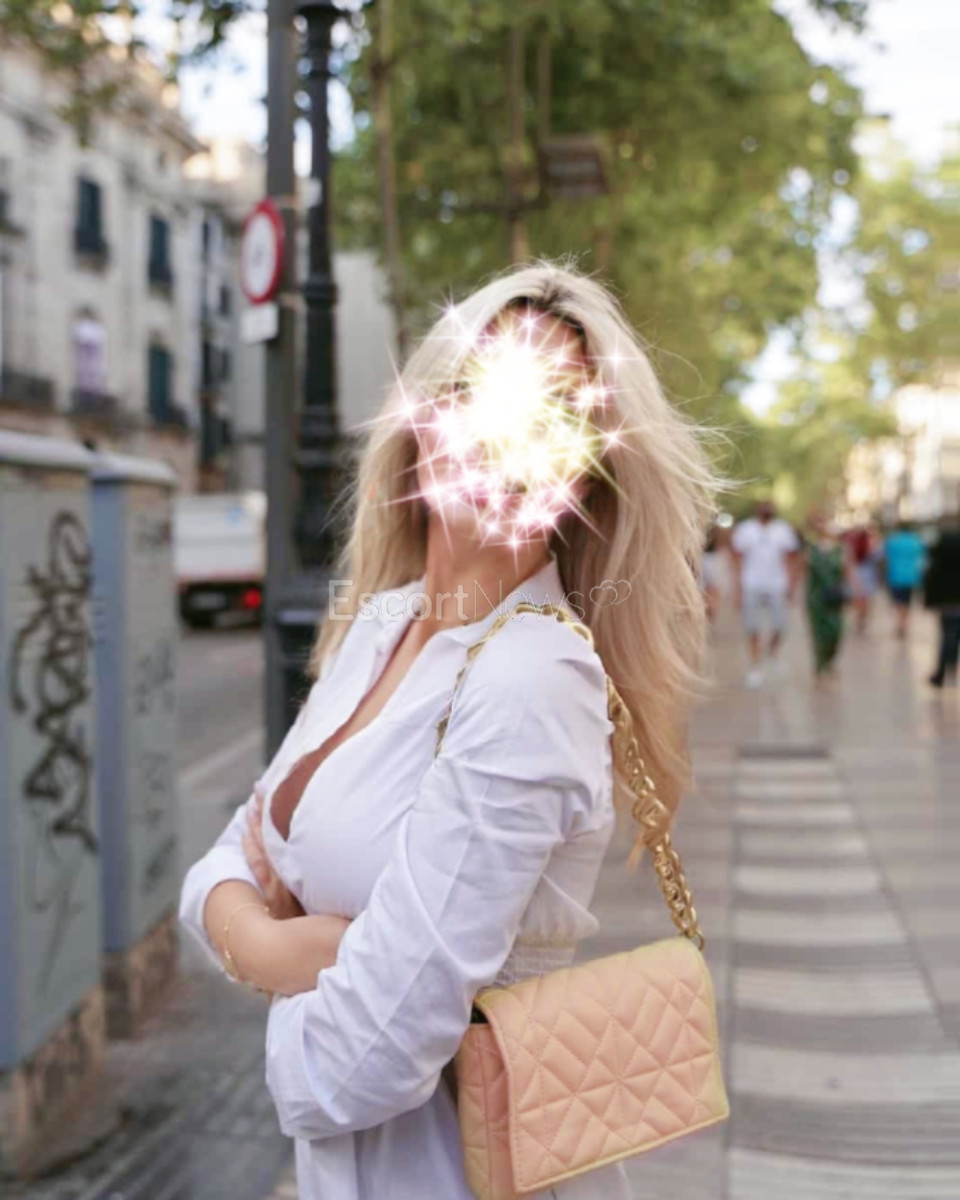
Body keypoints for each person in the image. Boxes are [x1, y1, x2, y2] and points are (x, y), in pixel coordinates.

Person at [178, 262, 716, 1200]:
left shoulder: (533, 675)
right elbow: (218, 863)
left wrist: (264, 937)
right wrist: (280, 949)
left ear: (583, 472)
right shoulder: (382, 623)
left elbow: (350, 1070)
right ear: (423, 418)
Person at [730, 500, 801, 688]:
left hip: (777, 585)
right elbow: (736, 557)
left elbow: (792, 558)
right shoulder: (746, 529)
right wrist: (737, 587)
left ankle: (772, 651)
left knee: (781, 626)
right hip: (751, 583)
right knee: (752, 627)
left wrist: (792, 584)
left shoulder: (783, 530)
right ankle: (755, 666)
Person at [805, 514, 849, 682]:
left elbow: (848, 571)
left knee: (836, 632)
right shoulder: (811, 550)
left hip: (835, 597)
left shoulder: (841, 550)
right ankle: (819, 666)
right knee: (819, 633)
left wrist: (854, 591)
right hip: (816, 598)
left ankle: (829, 661)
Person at [923, 525, 960, 688]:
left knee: (948, 636)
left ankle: (942, 672)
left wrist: (930, 602)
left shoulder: (939, 564)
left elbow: (930, 583)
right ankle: (948, 668)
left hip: (947, 605)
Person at [882, 522, 926, 639]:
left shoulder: (893, 541)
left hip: (895, 576)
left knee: (898, 601)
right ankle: (904, 623)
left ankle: (900, 623)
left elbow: (885, 556)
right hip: (911, 576)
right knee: (907, 601)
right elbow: (922, 558)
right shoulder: (916, 541)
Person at [846, 523, 881, 635]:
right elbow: (879, 557)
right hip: (867, 574)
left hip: (857, 573)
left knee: (858, 599)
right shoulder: (871, 544)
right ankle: (862, 619)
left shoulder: (852, 545)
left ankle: (859, 618)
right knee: (865, 599)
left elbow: (848, 561)